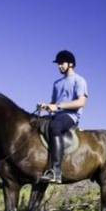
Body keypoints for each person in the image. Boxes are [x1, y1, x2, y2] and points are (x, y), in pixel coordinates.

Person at [36, 50, 88, 183]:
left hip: (70, 116)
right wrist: (45, 105)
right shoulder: (57, 83)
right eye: (58, 64)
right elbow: (53, 103)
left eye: (61, 63)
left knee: (55, 126)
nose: (59, 66)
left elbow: (81, 102)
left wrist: (58, 107)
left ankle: (56, 171)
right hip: (56, 114)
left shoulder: (79, 80)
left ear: (70, 64)